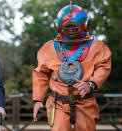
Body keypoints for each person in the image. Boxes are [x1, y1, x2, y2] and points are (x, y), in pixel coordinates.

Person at [32, 3, 111, 131]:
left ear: (85, 25)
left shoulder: (97, 47)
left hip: (85, 101)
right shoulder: (48, 48)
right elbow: (40, 74)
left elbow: (103, 67)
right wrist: (38, 100)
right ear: (58, 26)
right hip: (58, 102)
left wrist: (91, 84)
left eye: (75, 27)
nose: (71, 30)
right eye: (68, 27)